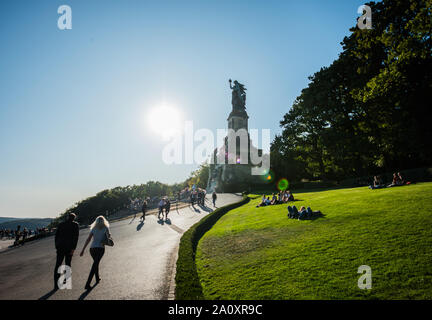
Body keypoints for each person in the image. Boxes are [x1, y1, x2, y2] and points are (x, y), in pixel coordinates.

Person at [80, 216, 111, 290]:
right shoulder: (105, 228)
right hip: (100, 249)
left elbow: (88, 239)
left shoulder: (93, 229)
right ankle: (87, 284)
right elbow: (109, 237)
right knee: (95, 265)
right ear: (104, 221)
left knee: (95, 263)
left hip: (92, 249)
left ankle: (97, 278)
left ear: (96, 221)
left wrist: (83, 249)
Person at [54, 213, 79, 290]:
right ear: (74, 218)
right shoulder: (75, 225)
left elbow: (56, 236)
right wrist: (73, 248)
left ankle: (56, 284)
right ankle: (66, 280)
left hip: (60, 247)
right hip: (69, 247)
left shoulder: (61, 224)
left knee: (58, 264)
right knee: (68, 263)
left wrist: (57, 246)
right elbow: (76, 238)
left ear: (67, 217)